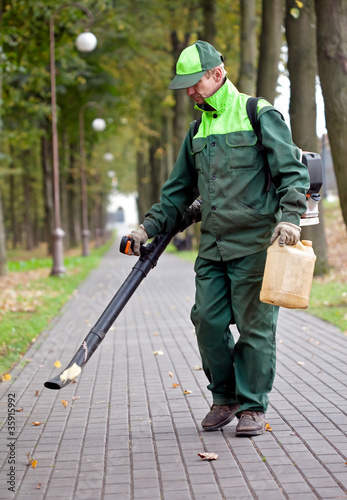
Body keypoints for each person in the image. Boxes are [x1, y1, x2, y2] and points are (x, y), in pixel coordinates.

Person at [127, 40, 309, 436]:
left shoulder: (257, 113)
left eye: (195, 83)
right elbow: (176, 193)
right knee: (207, 321)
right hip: (212, 246)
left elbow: (292, 172)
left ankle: (252, 407)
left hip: (257, 244)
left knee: (255, 327)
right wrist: (146, 228)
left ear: (217, 74)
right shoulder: (197, 129)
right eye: (186, 85)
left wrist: (292, 218)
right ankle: (224, 397)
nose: (190, 91)